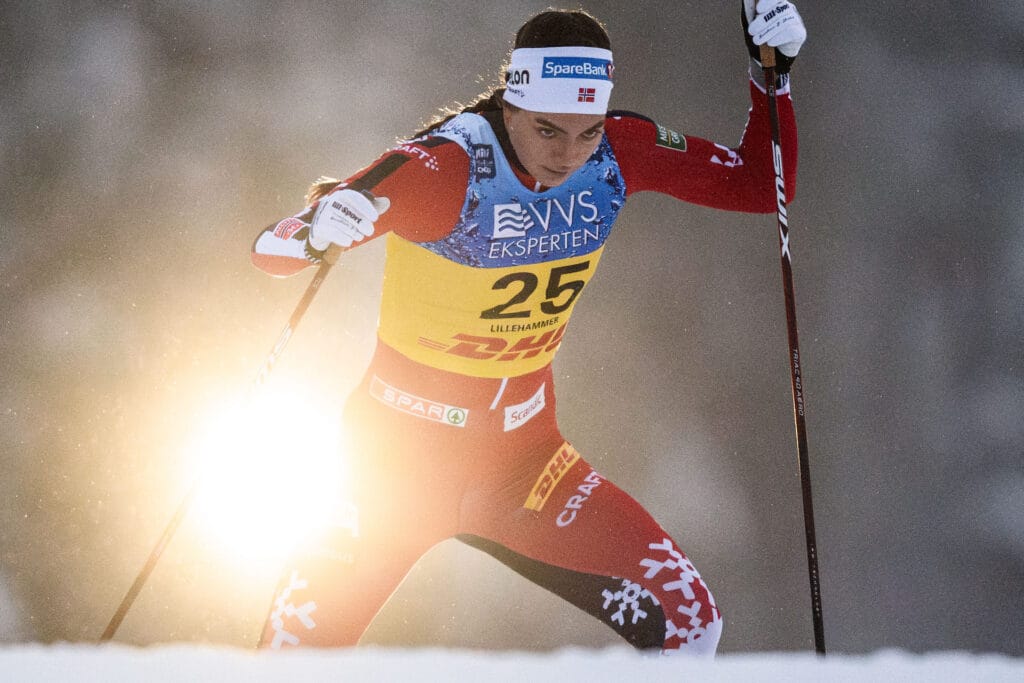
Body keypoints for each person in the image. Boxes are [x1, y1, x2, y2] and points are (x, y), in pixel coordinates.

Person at [251, 1, 806, 656]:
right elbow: (274, 248)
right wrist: (316, 231)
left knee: (690, 622)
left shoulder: (618, 155)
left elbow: (758, 184)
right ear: (509, 107)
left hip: (524, 470)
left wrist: (773, 78)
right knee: (287, 654)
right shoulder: (445, 169)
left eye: (587, 132)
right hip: (388, 473)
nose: (569, 154)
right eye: (548, 130)